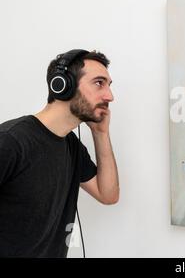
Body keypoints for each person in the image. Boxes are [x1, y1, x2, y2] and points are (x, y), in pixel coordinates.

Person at [0, 49, 119, 257]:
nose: (109, 96)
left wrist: (101, 133)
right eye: (99, 83)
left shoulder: (70, 145)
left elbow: (108, 194)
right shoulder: (11, 141)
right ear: (63, 85)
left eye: (109, 85)